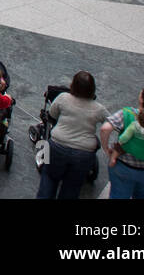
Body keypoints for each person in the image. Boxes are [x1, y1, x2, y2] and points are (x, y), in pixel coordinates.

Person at [36, 71, 109, 199]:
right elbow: (111, 123)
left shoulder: (63, 98)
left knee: (49, 177)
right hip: (84, 154)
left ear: (73, 85)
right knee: (72, 187)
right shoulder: (99, 109)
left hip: (57, 146)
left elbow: (52, 115)